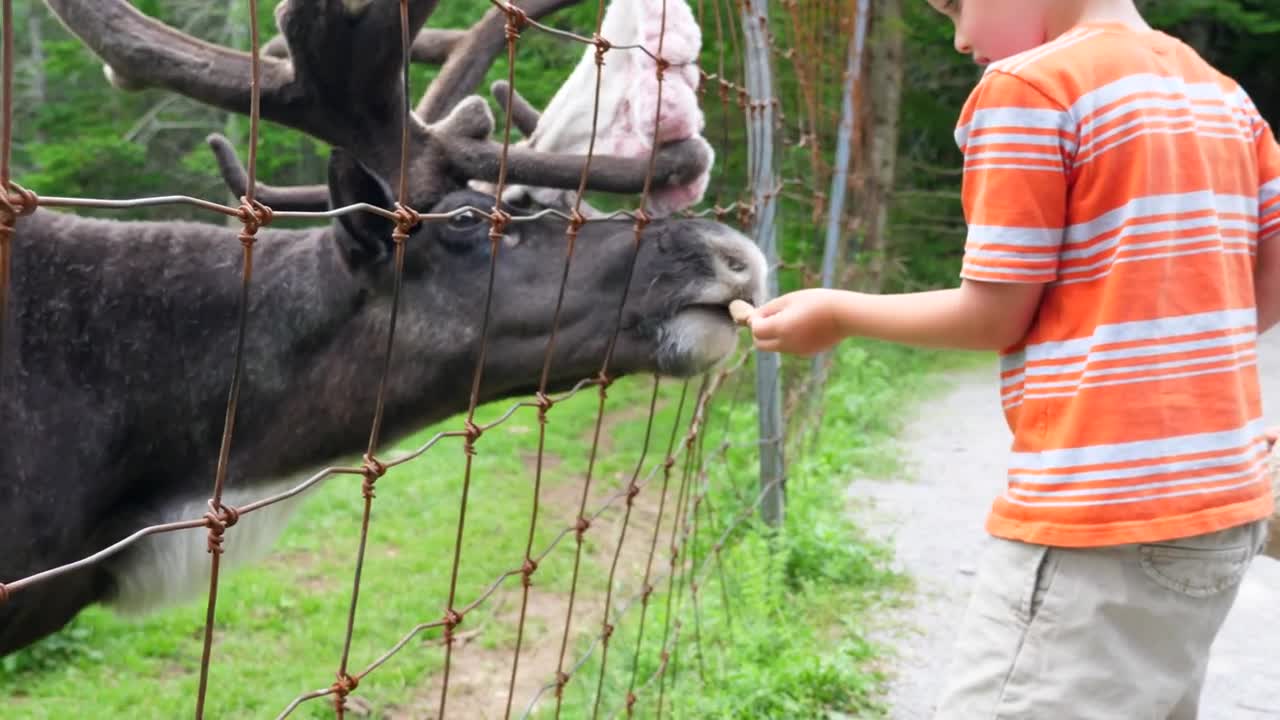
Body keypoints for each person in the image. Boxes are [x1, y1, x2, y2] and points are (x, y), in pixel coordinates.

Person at [744, 0, 1280, 717]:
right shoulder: (1222, 95)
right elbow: (1264, 284)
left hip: (1099, 517)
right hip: (1219, 510)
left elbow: (995, 312)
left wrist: (840, 314)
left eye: (958, 7)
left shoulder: (1032, 88)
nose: (962, 38)